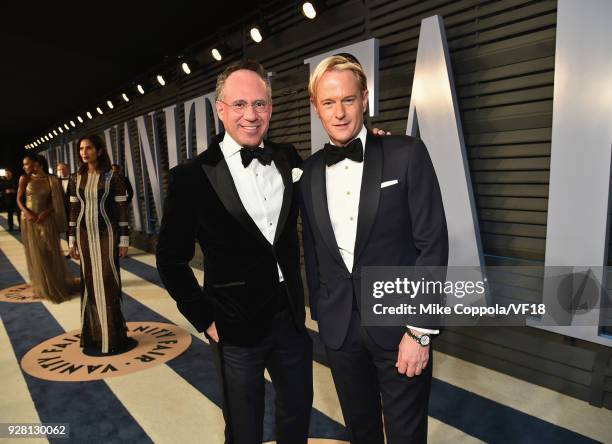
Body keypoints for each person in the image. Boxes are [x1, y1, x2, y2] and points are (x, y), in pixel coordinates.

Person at [156, 60, 312, 444]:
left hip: (290, 316)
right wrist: (204, 317)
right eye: (239, 104)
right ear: (220, 109)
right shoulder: (191, 176)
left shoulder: (288, 158)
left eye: (260, 104)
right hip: (233, 324)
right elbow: (170, 259)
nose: (251, 114)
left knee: (297, 412)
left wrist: (376, 146)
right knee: (243, 426)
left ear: (271, 109)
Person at [299, 55, 449, 444]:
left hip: (401, 328)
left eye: (348, 99)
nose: (340, 112)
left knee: (406, 436)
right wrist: (322, 311)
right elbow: (313, 250)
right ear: (316, 108)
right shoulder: (310, 172)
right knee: (360, 433)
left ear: (365, 98)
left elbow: (432, 244)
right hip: (339, 331)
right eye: (328, 103)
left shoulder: (406, 153)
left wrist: (419, 331)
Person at [68, 135, 135, 356]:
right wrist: (72, 240)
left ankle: (114, 336)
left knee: (108, 281)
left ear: (99, 150)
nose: (84, 152)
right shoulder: (76, 177)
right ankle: (95, 335)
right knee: (89, 283)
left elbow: (121, 209)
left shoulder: (112, 175)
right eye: (81, 148)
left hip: (108, 233)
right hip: (84, 234)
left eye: (88, 148)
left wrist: (124, 238)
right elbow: (74, 211)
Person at [16, 153, 76, 303]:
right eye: (23, 164)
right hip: (29, 221)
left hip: (46, 220)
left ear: (37, 164)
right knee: (36, 253)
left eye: (27, 164)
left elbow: (55, 203)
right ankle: (44, 287)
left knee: (50, 251)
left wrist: (44, 214)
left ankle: (54, 284)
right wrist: (27, 212)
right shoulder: (25, 179)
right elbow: (19, 199)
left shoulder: (51, 180)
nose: (24, 167)